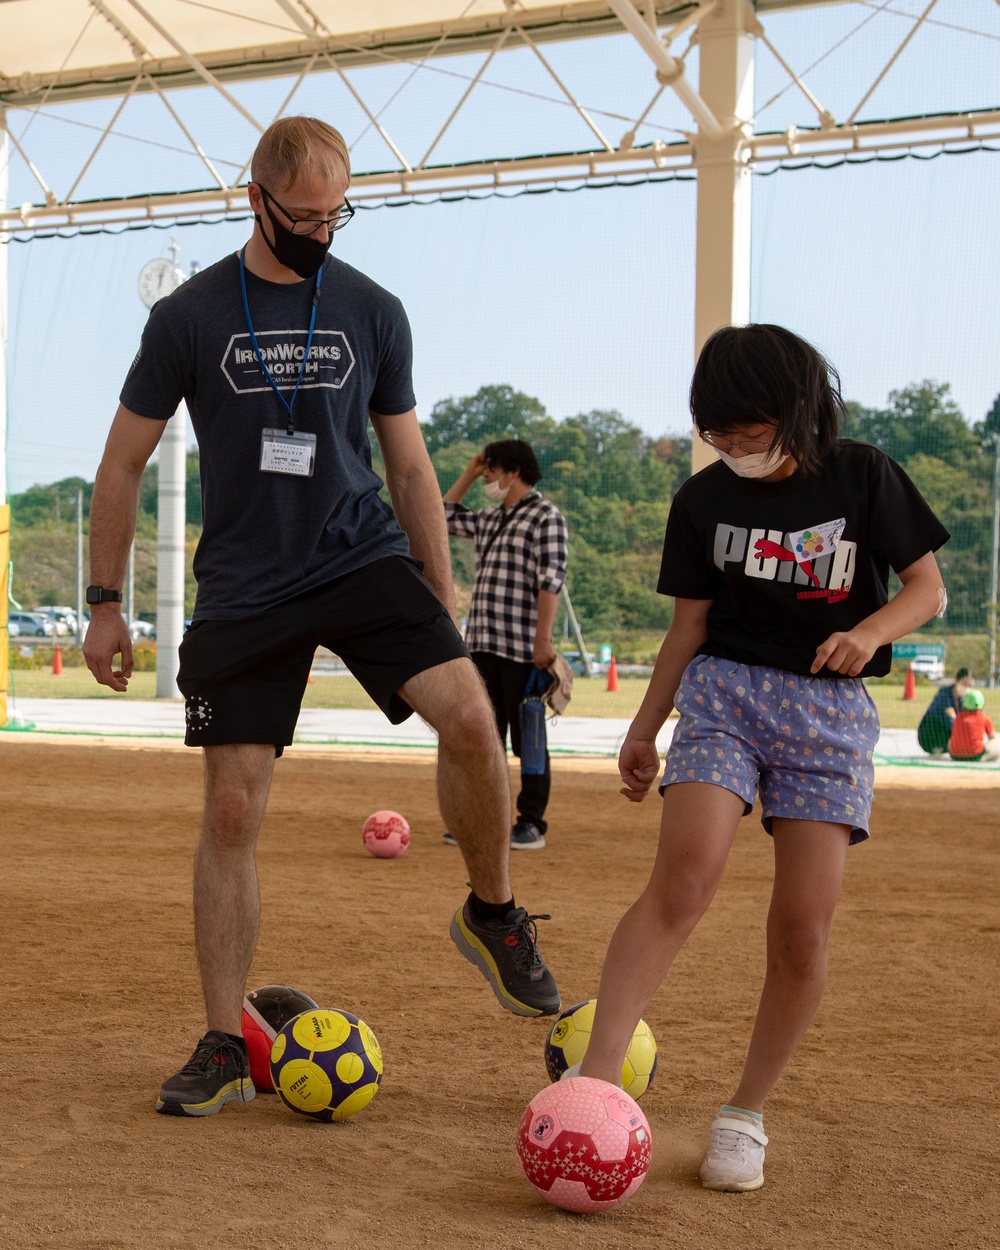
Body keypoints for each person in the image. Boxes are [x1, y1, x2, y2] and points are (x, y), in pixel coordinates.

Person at [83, 116, 560, 1119]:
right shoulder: (192, 315)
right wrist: (103, 603)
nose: (323, 231)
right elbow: (122, 461)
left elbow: (411, 462)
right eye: (303, 216)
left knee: (473, 716)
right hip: (247, 582)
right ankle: (224, 1036)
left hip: (360, 554)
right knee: (231, 807)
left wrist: (439, 585)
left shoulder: (373, 309)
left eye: (338, 213)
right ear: (255, 200)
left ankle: (491, 910)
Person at [573, 323, 949, 1192]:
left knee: (801, 927)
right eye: (721, 435)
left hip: (829, 714)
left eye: (751, 433)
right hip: (726, 695)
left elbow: (926, 588)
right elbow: (688, 628)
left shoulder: (863, 474)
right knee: (686, 876)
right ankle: (594, 1082)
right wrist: (644, 725)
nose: (737, 450)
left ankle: (744, 1115)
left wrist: (869, 631)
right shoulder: (701, 500)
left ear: (798, 410)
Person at [443, 440, 569, 850]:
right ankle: (484, 822)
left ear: (514, 472)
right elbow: (442, 516)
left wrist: (543, 640)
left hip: (523, 650)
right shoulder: (489, 519)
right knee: (485, 739)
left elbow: (550, 580)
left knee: (528, 737)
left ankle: (531, 822)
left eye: (492, 472)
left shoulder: (546, 517)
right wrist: (470, 470)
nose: (488, 481)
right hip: (480, 647)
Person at [917, 667, 973, 754]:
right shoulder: (944, 695)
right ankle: (938, 748)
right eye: (964, 684)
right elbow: (950, 722)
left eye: (969, 685)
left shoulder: (965, 698)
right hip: (929, 736)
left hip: (945, 732)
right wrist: (959, 720)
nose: (966, 688)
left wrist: (957, 718)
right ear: (956, 681)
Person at [948, 688, 997, 761]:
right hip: (975, 756)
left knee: (950, 740)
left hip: (955, 756)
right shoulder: (984, 718)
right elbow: (992, 737)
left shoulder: (958, 717)